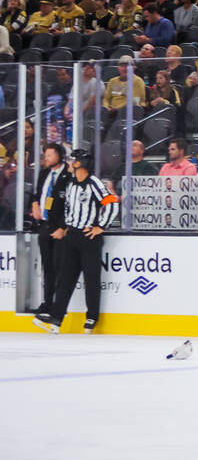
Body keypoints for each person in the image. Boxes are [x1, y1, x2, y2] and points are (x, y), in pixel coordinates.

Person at [33, 148, 119, 335]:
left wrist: (101, 226)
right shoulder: (70, 184)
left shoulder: (94, 183)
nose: (70, 163)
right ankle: (56, 318)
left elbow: (112, 202)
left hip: (88, 237)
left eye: (73, 161)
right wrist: (65, 228)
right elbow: (68, 209)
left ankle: (91, 317)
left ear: (80, 163)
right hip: (72, 235)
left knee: (91, 278)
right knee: (65, 278)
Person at [31, 143, 68, 316]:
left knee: (59, 266)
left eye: (50, 155)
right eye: (45, 154)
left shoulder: (69, 175)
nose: (46, 158)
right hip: (44, 226)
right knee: (48, 267)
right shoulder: (44, 173)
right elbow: (36, 192)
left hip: (60, 228)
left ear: (60, 156)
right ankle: (47, 301)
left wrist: (63, 227)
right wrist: (35, 204)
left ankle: (58, 306)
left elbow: (70, 204)